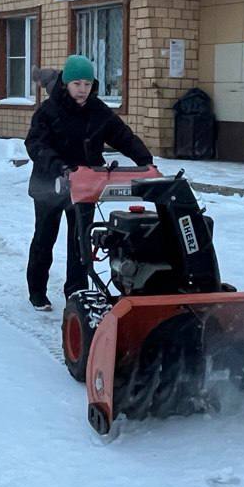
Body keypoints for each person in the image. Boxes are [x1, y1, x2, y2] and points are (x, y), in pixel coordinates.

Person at [24, 54, 152, 312]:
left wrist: (145, 161)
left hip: (86, 185)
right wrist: (60, 166)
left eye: (87, 84)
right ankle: (37, 291)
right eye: (77, 84)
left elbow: (123, 136)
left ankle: (76, 290)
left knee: (80, 241)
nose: (82, 89)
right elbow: (35, 144)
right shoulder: (49, 111)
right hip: (50, 184)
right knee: (44, 238)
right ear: (65, 84)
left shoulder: (98, 111)